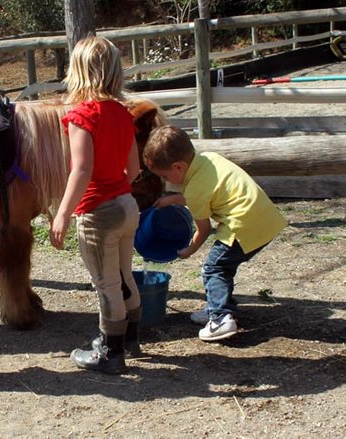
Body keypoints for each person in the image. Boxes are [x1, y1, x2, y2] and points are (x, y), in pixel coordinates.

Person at [50, 36, 142, 374]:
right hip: (127, 206)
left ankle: (110, 351)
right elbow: (133, 168)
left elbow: (82, 170)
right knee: (122, 276)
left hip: (98, 213)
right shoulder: (122, 113)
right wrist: (117, 192)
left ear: (78, 71)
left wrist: (62, 212)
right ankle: (130, 338)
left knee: (106, 285)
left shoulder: (81, 115)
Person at [143, 125, 287, 341]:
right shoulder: (208, 160)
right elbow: (204, 194)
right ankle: (217, 306)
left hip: (242, 225)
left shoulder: (194, 189)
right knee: (225, 266)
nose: (166, 181)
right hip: (264, 219)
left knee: (214, 267)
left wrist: (189, 249)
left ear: (178, 167)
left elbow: (204, 228)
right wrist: (172, 199)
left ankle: (220, 318)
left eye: (165, 176)